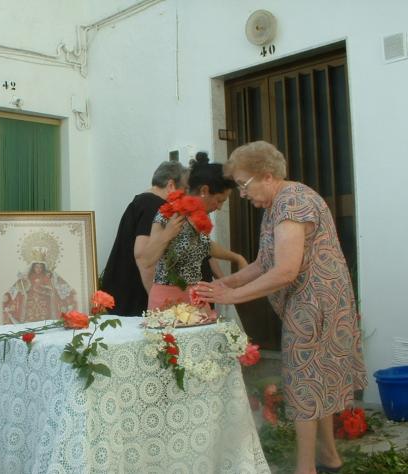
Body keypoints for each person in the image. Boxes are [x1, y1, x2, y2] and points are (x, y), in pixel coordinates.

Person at [194, 141, 367, 474]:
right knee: (316, 382)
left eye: (244, 184)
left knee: (304, 385)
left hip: (316, 306)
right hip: (311, 304)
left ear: (267, 176)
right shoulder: (277, 204)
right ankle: (329, 458)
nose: (242, 193)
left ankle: (305, 468)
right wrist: (225, 285)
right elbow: (263, 264)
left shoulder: (292, 203)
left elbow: (285, 270)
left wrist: (231, 297)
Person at [139, 152, 247, 309]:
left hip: (196, 295)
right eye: (219, 200)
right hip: (167, 298)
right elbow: (146, 260)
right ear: (204, 190)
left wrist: (236, 257)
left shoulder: (201, 218)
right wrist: (167, 234)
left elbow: (205, 245)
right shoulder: (169, 213)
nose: (219, 207)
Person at [101, 160, 188, 316]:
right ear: (171, 185)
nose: (184, 197)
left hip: (121, 289)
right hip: (134, 295)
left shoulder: (142, 201)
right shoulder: (154, 206)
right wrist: (159, 302)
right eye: (184, 190)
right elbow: (143, 256)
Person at [2, 260, 77, 324]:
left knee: (44, 319)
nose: (39, 269)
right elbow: (22, 287)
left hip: (44, 301)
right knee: (30, 318)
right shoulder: (28, 276)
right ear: (33, 267)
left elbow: (52, 288)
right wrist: (23, 284)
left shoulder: (47, 276)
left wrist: (44, 288)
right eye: (37, 267)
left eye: (40, 267)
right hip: (30, 301)